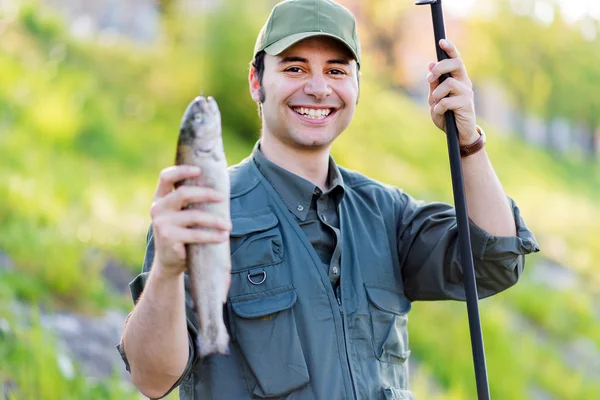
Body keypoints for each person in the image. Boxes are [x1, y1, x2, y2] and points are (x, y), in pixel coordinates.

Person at [117, 0, 539, 399]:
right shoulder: (202, 210)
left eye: (337, 71)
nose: (318, 89)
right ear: (256, 80)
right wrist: (168, 271)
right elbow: (152, 378)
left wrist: (467, 142)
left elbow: (494, 259)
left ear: (357, 85)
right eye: (295, 68)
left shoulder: (386, 213)